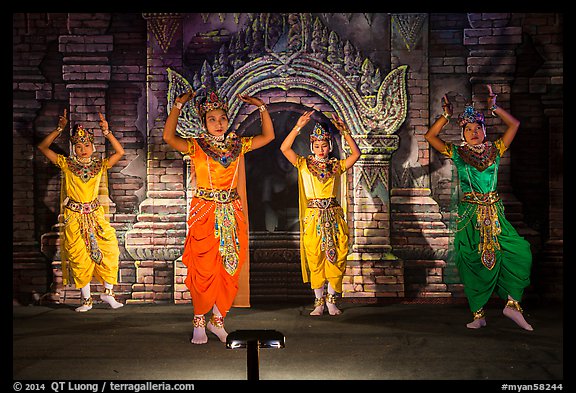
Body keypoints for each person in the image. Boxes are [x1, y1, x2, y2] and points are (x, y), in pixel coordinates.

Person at [163, 89, 274, 344]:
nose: (218, 123)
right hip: (205, 211)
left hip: (232, 213)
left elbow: (268, 136)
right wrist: (178, 105)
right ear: (204, 123)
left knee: (229, 267)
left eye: (222, 118)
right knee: (204, 269)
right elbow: (168, 136)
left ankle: (218, 320)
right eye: (212, 119)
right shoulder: (197, 146)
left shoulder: (238, 145)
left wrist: (261, 107)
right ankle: (199, 321)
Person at [424, 85, 533, 331]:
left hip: (495, 213)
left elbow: (514, 125)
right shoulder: (458, 152)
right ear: (463, 132)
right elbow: (430, 137)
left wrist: (495, 108)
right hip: (470, 214)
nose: (474, 132)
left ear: (485, 130)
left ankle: (512, 305)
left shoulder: (496, 149)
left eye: (478, 128)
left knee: (520, 252)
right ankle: (478, 314)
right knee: (469, 259)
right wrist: (445, 117)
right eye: (469, 129)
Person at [37, 109, 125, 312]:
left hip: (95, 215)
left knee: (110, 250)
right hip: (74, 216)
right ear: (73, 148)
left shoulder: (99, 165)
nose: (83, 149)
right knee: (79, 257)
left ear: (93, 147)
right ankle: (86, 300)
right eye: (78, 146)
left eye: (86, 145)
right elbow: (43, 147)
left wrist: (107, 132)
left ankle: (108, 293)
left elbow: (120, 152)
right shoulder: (67, 164)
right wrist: (59, 128)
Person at [280, 110, 361, 316]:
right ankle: (318, 303)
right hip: (314, 216)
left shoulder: (335, 166)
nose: (321, 149)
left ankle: (332, 301)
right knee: (315, 256)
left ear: (329, 146)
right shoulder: (304, 164)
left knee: (336, 256)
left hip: (333, 216)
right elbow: (285, 148)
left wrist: (345, 133)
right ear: (311, 146)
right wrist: (298, 126)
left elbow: (356, 155)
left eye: (324, 145)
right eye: (317, 146)